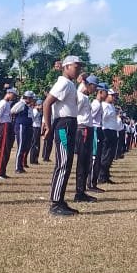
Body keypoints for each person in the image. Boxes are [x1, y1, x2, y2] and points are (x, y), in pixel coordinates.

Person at [42, 55, 82, 216]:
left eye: (79, 66)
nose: (78, 69)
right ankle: (55, 203)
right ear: (66, 67)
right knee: (63, 162)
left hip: (69, 124)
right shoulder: (63, 83)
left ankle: (60, 199)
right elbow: (47, 103)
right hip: (63, 125)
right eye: (75, 66)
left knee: (67, 162)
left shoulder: (70, 84)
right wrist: (48, 126)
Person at [74, 73, 99, 202]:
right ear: (89, 85)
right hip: (82, 130)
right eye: (94, 87)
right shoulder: (80, 96)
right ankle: (79, 192)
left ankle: (81, 190)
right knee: (82, 162)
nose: (95, 90)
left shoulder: (85, 96)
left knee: (86, 161)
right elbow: (74, 114)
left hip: (87, 130)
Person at [0, 86, 17, 179]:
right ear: (9, 93)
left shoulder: (7, 103)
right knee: (4, 150)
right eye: (13, 95)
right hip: (5, 125)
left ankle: (3, 171)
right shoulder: (3, 103)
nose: (14, 98)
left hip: (8, 125)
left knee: (7, 149)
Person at [11, 90, 36, 173]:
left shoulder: (28, 106)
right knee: (21, 147)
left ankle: (21, 165)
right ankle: (17, 167)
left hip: (28, 127)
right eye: (32, 98)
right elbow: (12, 111)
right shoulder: (21, 104)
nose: (33, 100)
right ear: (28, 98)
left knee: (25, 147)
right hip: (21, 126)